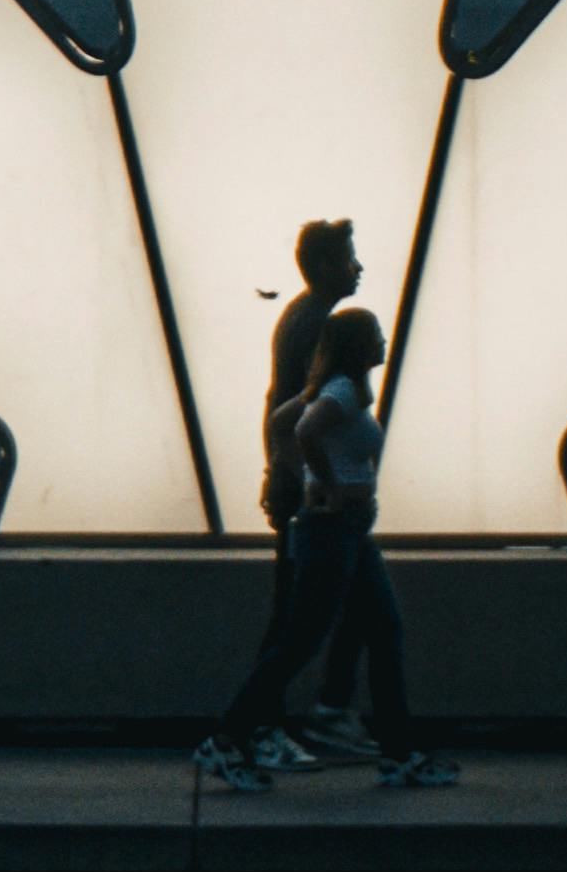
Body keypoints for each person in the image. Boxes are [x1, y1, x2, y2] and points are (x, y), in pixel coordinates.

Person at [196, 306, 459, 791]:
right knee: (303, 641)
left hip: (349, 531)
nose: (383, 341)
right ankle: (226, 740)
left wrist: (302, 475)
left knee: (382, 630)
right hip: (334, 529)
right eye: (376, 335)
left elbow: (281, 422)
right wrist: (329, 484)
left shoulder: (341, 389)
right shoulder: (340, 391)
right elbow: (303, 430)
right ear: (358, 345)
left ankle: (399, 753)